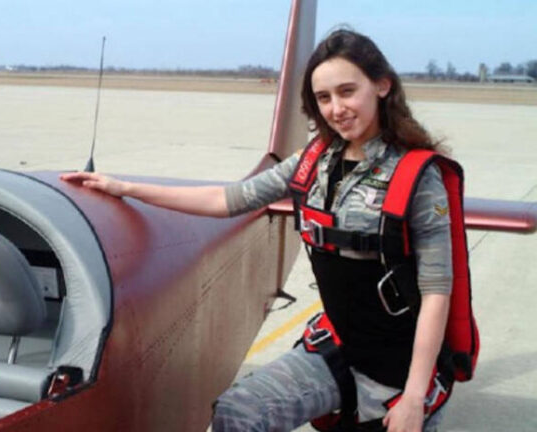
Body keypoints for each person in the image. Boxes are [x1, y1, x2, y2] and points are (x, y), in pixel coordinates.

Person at [61, 29, 453, 432]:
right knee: (238, 412)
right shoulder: (314, 161)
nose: (336, 109)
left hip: (397, 365)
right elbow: (229, 199)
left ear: (382, 86)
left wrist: (414, 396)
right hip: (340, 345)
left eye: (347, 91)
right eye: (323, 98)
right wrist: (126, 188)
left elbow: (437, 292)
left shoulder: (417, 176)